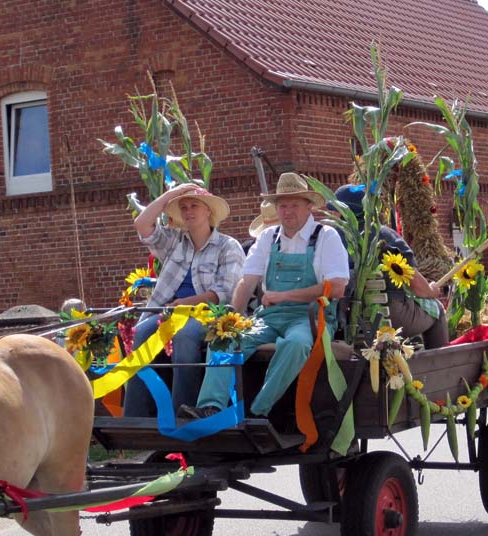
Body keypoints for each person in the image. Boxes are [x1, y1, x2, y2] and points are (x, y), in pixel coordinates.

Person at [181, 173, 350, 419]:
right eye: (282, 205)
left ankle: (257, 412)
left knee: (296, 344)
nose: (287, 211)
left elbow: (337, 287)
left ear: (309, 207)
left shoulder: (326, 236)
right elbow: (246, 281)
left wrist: (284, 295)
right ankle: (211, 408)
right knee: (223, 339)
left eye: (294, 205)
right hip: (268, 318)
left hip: (311, 318)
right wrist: (232, 317)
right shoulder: (268, 237)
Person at [123, 183, 245, 417]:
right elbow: (142, 224)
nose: (188, 211)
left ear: (208, 210)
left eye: (194, 206)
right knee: (141, 333)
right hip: (169, 313)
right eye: (184, 207)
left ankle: (182, 412)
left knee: (184, 335)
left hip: (209, 316)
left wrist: (189, 301)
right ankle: (136, 417)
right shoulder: (174, 241)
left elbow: (224, 293)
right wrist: (172, 194)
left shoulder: (228, 246)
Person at [332, 184, 449, 349]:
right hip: (387, 316)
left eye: (334, 210)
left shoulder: (330, 238)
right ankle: (439, 363)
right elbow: (418, 287)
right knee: (437, 309)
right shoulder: (384, 235)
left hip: (344, 319)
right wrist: (431, 290)